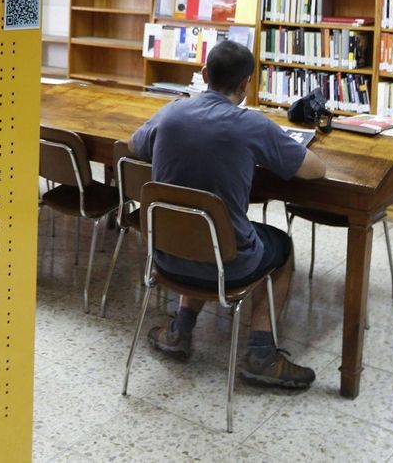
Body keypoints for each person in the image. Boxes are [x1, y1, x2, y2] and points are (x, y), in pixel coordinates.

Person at [129, 40, 326, 389]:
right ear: (246, 84)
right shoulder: (252, 126)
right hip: (228, 265)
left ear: (204, 75)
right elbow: (315, 172)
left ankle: (179, 332)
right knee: (282, 249)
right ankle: (262, 354)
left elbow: (134, 145)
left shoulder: (172, 111)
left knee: (198, 223)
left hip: (165, 256)